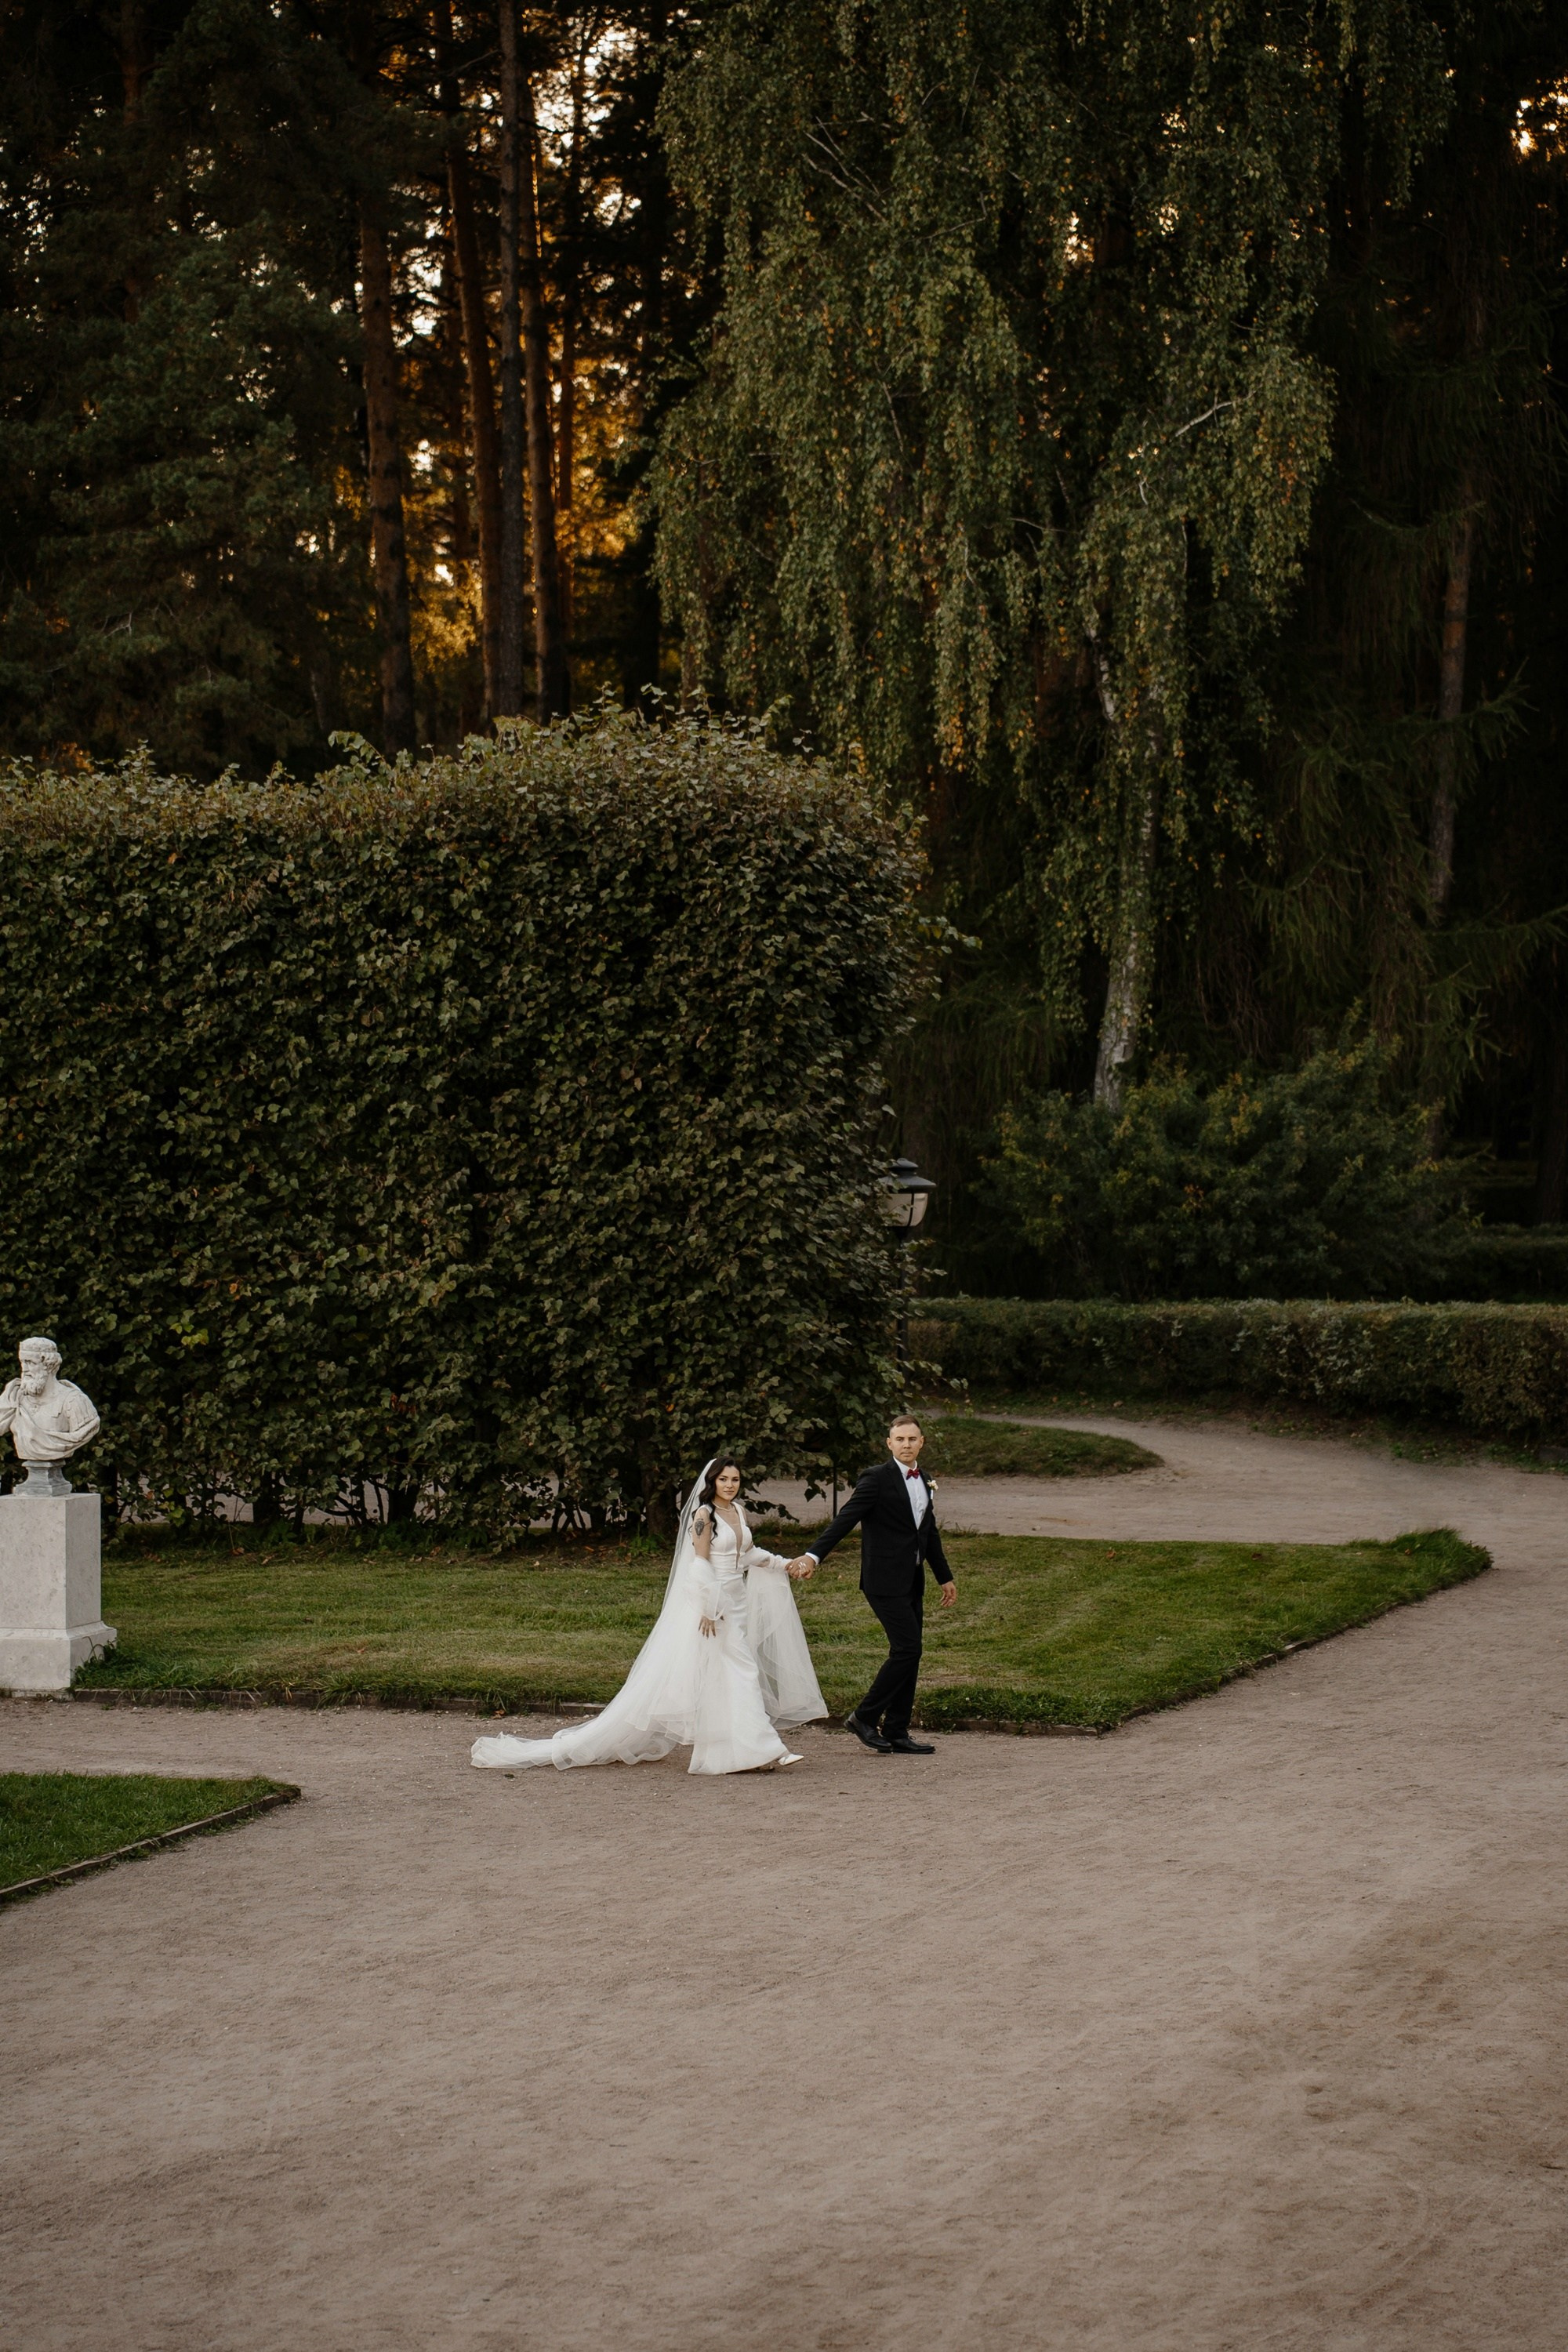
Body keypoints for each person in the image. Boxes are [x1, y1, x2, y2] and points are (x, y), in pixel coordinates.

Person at [471, 1457, 826, 1777]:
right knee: (744, 1672)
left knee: (727, 1679)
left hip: (737, 1605)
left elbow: (746, 1554)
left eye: (735, 1480)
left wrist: (785, 1564)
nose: (730, 1485)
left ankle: (731, 1754)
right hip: (713, 1608)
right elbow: (699, 1565)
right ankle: (766, 1749)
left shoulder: (738, 1513)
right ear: (712, 1483)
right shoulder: (704, 1516)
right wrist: (707, 1607)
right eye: (724, 1480)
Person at [791, 1413, 956, 1755]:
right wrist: (813, 1556)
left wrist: (944, 1576)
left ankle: (897, 1729)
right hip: (883, 1580)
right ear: (889, 1443)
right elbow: (846, 1519)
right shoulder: (876, 1479)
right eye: (900, 1439)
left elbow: (928, 1532)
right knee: (907, 1649)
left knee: (911, 1654)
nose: (907, 1445)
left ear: (921, 1442)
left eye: (913, 1439)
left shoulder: (924, 1479)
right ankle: (863, 1717)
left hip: (913, 1579)